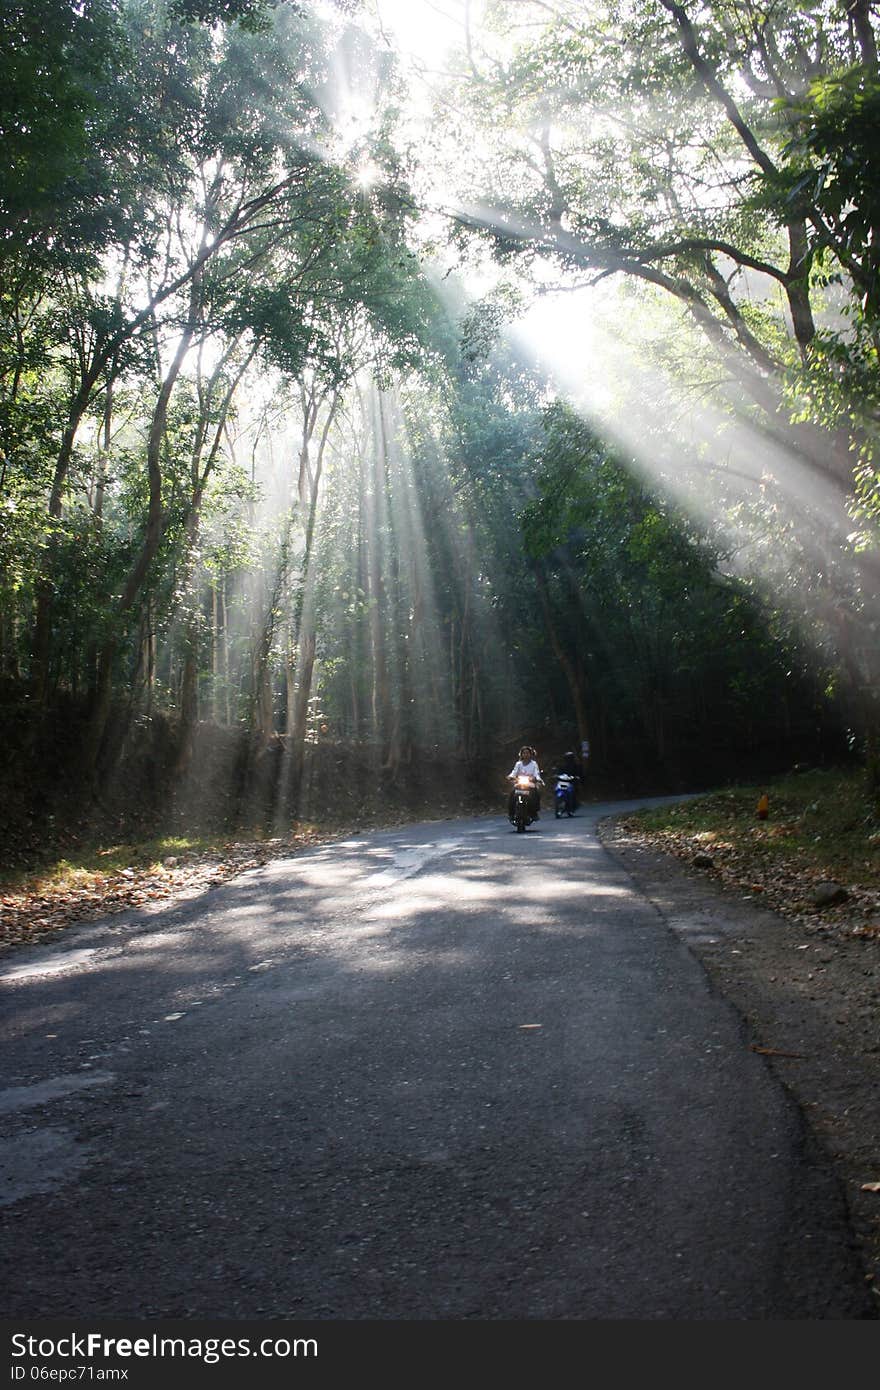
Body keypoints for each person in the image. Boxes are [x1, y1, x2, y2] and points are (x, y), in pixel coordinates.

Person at [507, 745, 544, 821]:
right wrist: (511, 777)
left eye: (527, 753)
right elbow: (514, 772)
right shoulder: (518, 764)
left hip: (530, 784)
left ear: (531, 754)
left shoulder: (534, 764)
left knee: (536, 794)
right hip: (519, 783)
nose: (526, 755)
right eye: (524, 753)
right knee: (512, 794)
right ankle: (511, 813)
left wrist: (537, 778)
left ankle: (534, 813)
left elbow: (536, 773)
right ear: (521, 754)